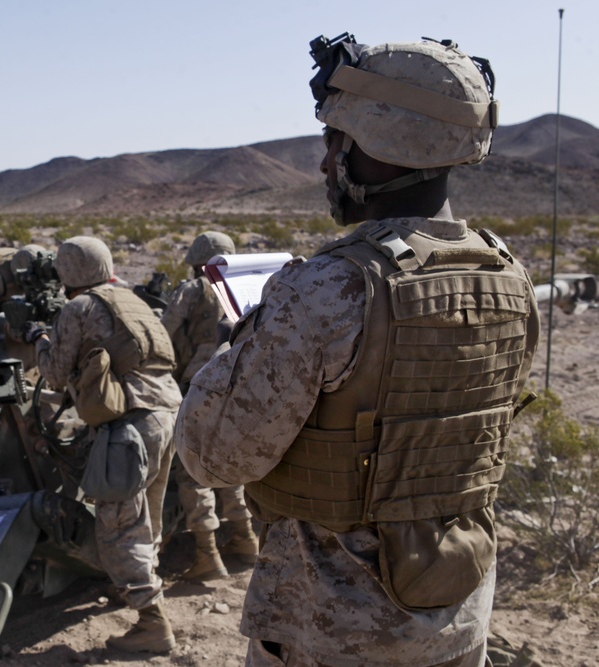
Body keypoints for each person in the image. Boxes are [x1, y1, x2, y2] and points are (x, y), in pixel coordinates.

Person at [176, 36, 540, 666]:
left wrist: (241, 345)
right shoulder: (510, 278)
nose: (324, 163)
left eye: (335, 141)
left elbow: (215, 459)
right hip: (457, 611)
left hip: (334, 629)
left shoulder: (326, 288)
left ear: (378, 145)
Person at [28, 236, 182, 653]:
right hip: (169, 413)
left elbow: (56, 375)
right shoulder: (132, 300)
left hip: (131, 426)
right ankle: (135, 589)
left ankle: (152, 623)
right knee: (147, 513)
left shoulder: (78, 308)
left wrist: (41, 340)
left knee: (118, 525)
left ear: (67, 274)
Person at [161, 231, 258, 581]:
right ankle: (246, 539)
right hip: (236, 385)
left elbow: (163, 335)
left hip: (197, 386)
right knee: (229, 461)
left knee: (192, 469)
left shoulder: (192, 290)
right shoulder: (246, 289)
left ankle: (207, 553)